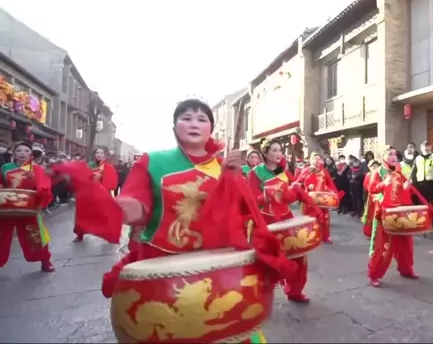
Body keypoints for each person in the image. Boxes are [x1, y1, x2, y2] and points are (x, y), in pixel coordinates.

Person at [52, 99, 294, 343]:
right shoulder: (153, 162)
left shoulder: (225, 167)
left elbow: (242, 212)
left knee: (231, 332)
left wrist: (234, 180)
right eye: (186, 118)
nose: (194, 124)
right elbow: (137, 208)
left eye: (202, 119)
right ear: (174, 127)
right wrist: (101, 198)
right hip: (164, 263)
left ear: (211, 128)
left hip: (217, 264)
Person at [248, 138, 319, 304]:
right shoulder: (255, 173)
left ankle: (295, 291)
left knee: (299, 256)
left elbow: (295, 190)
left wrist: (309, 203)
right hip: (267, 221)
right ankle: (261, 295)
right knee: (268, 261)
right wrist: (267, 195)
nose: (279, 153)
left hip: (287, 219)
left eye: (280, 150)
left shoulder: (283, 171)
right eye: (274, 150)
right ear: (265, 153)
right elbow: (252, 200)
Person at [366, 146, 423, 287]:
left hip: (401, 212)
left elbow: (400, 192)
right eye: (389, 154)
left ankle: (406, 270)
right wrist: (382, 185)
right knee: (383, 246)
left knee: (406, 244)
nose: (393, 156)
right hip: (386, 214)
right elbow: (371, 190)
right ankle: (374, 274)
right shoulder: (377, 172)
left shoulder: (398, 173)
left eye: (394, 154)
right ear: (382, 157)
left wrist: (405, 188)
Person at [0, 141, 54, 273]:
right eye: (19, 151)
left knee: (35, 236)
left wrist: (40, 202)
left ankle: (45, 260)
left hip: (29, 208)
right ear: (14, 154)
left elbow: (44, 187)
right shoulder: (5, 168)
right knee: (2, 236)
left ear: (31, 154)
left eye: (26, 151)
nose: (22, 153)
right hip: (8, 207)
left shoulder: (37, 169)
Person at [73, 147, 119, 242]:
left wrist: (102, 176)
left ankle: (109, 235)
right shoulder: (89, 165)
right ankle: (80, 234)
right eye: (97, 152)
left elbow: (112, 182)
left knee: (106, 215)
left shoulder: (108, 166)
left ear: (104, 155)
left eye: (101, 153)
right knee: (83, 215)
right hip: (89, 194)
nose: (99, 154)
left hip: (102, 195)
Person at [296, 152, 340, 244]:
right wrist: (305, 186)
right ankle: (310, 237)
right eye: (315, 159)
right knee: (310, 218)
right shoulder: (306, 170)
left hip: (322, 198)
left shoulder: (324, 171)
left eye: (319, 159)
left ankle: (325, 237)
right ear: (311, 160)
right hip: (309, 199)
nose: (318, 160)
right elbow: (297, 182)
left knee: (325, 218)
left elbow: (330, 184)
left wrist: (332, 192)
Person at [411, 141, 433, 206]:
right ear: (421, 148)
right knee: (421, 204)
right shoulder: (417, 158)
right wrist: (415, 184)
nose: (426, 148)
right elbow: (413, 172)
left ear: (431, 147)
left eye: (428, 146)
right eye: (424, 146)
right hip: (420, 185)